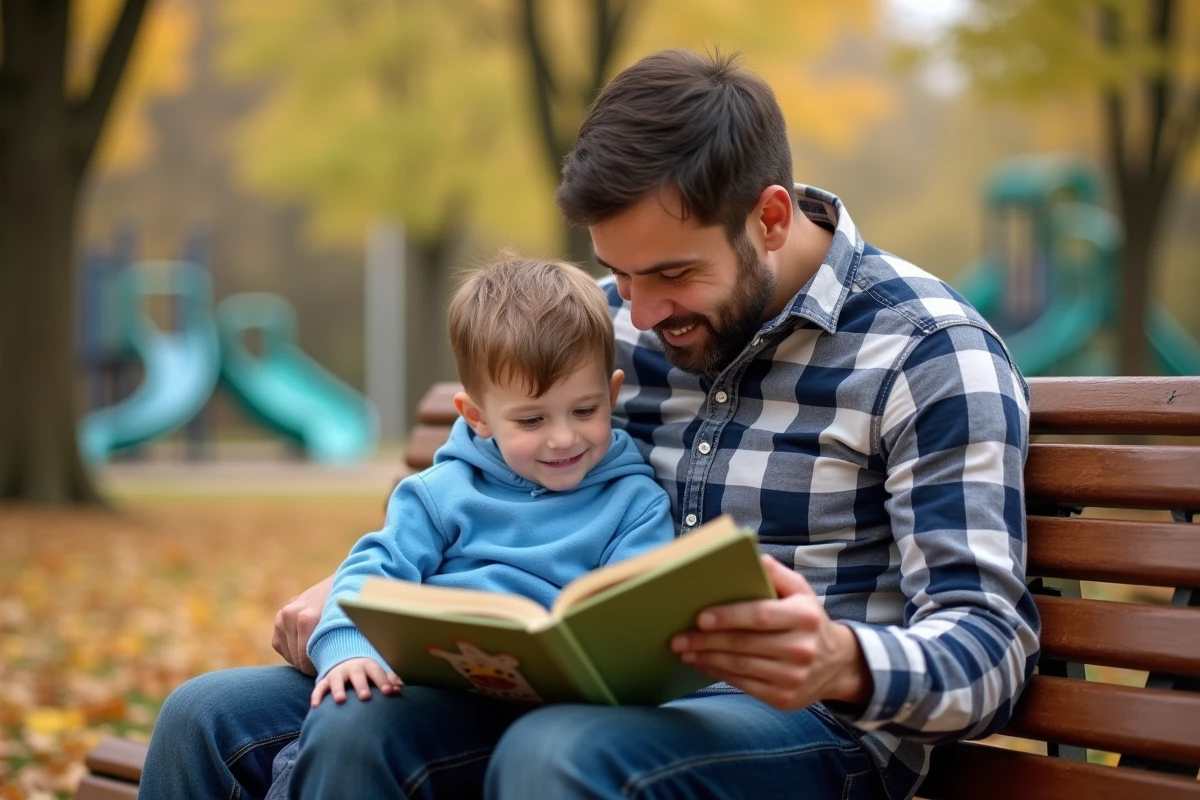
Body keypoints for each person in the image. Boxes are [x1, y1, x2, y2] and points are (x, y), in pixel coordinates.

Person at [141, 49, 1039, 800]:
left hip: (811, 727)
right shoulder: (607, 320)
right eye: (621, 272)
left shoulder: (926, 354)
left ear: (769, 217)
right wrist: (353, 590)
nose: (638, 315)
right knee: (209, 720)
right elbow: (479, 467)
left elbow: (992, 649)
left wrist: (842, 660)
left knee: (555, 754)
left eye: (672, 276)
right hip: (569, 687)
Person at [140, 256, 677, 799]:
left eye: (584, 411)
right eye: (532, 420)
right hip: (427, 684)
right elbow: (372, 570)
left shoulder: (634, 502)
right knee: (203, 709)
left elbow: (633, 619)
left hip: (541, 718)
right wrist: (349, 649)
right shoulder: (442, 493)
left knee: (349, 728)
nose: (563, 439)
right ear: (477, 417)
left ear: (611, 395)